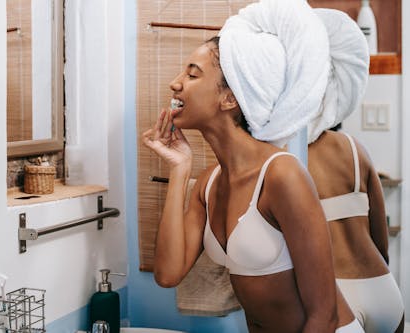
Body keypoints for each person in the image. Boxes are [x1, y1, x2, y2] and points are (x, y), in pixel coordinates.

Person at [142, 1, 362, 331]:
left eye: (192, 74)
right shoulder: (209, 182)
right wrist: (179, 168)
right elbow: (168, 274)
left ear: (231, 98)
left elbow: (324, 315)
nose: (175, 83)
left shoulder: (282, 175)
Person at [305, 9, 405, 333]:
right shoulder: (353, 147)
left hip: (337, 297)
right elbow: (380, 238)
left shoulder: (284, 159)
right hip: (385, 292)